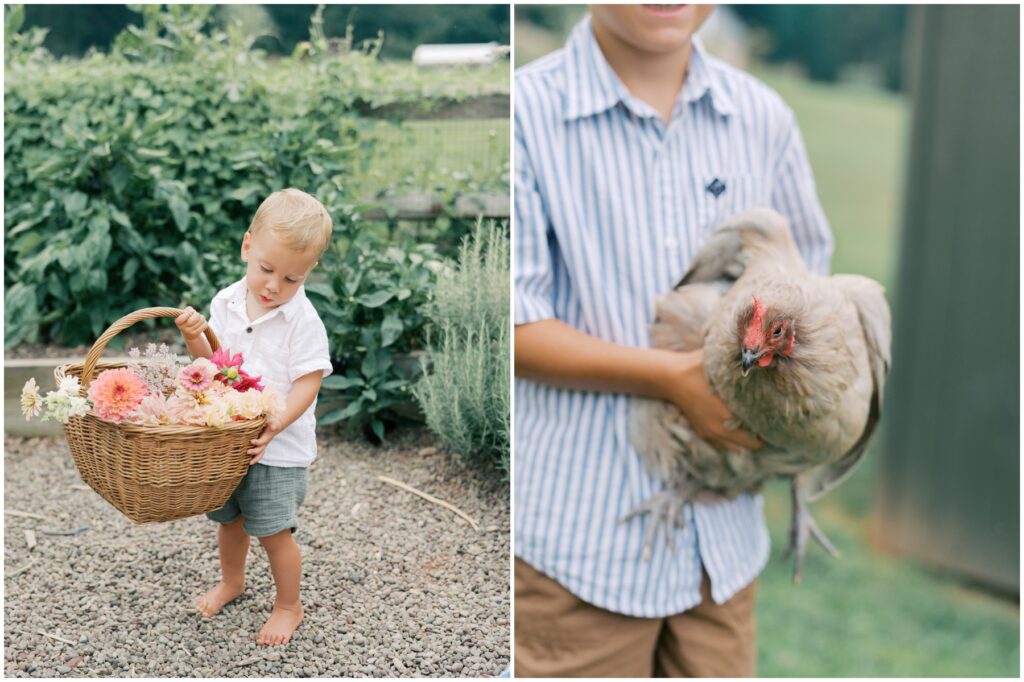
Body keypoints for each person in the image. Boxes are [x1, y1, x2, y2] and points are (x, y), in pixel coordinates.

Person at [514, 5, 834, 677]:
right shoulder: (528, 113)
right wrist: (672, 380)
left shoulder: (761, 118)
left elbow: (812, 285)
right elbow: (517, 322)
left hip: (722, 542)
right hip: (579, 541)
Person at [174, 188, 334, 646]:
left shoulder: (302, 321)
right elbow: (214, 361)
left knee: (273, 531)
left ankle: (289, 604)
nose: (274, 286)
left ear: (307, 275)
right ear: (248, 247)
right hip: (230, 442)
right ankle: (232, 581)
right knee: (230, 520)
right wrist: (193, 338)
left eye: (291, 279)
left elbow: (309, 380)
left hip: (277, 448)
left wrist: (277, 423)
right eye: (266, 270)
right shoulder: (226, 301)